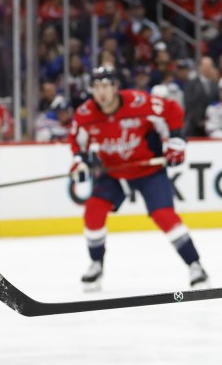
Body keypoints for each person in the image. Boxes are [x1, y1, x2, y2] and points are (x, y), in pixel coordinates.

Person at [68, 66, 208, 291]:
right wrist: (80, 161)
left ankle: (195, 266)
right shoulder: (85, 114)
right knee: (93, 210)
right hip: (113, 172)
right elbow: (78, 143)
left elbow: (172, 110)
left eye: (106, 86)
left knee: (164, 215)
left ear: (115, 87)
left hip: (148, 171)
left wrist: (175, 143)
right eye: (96, 87)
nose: (101, 92)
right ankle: (96, 263)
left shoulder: (139, 102)